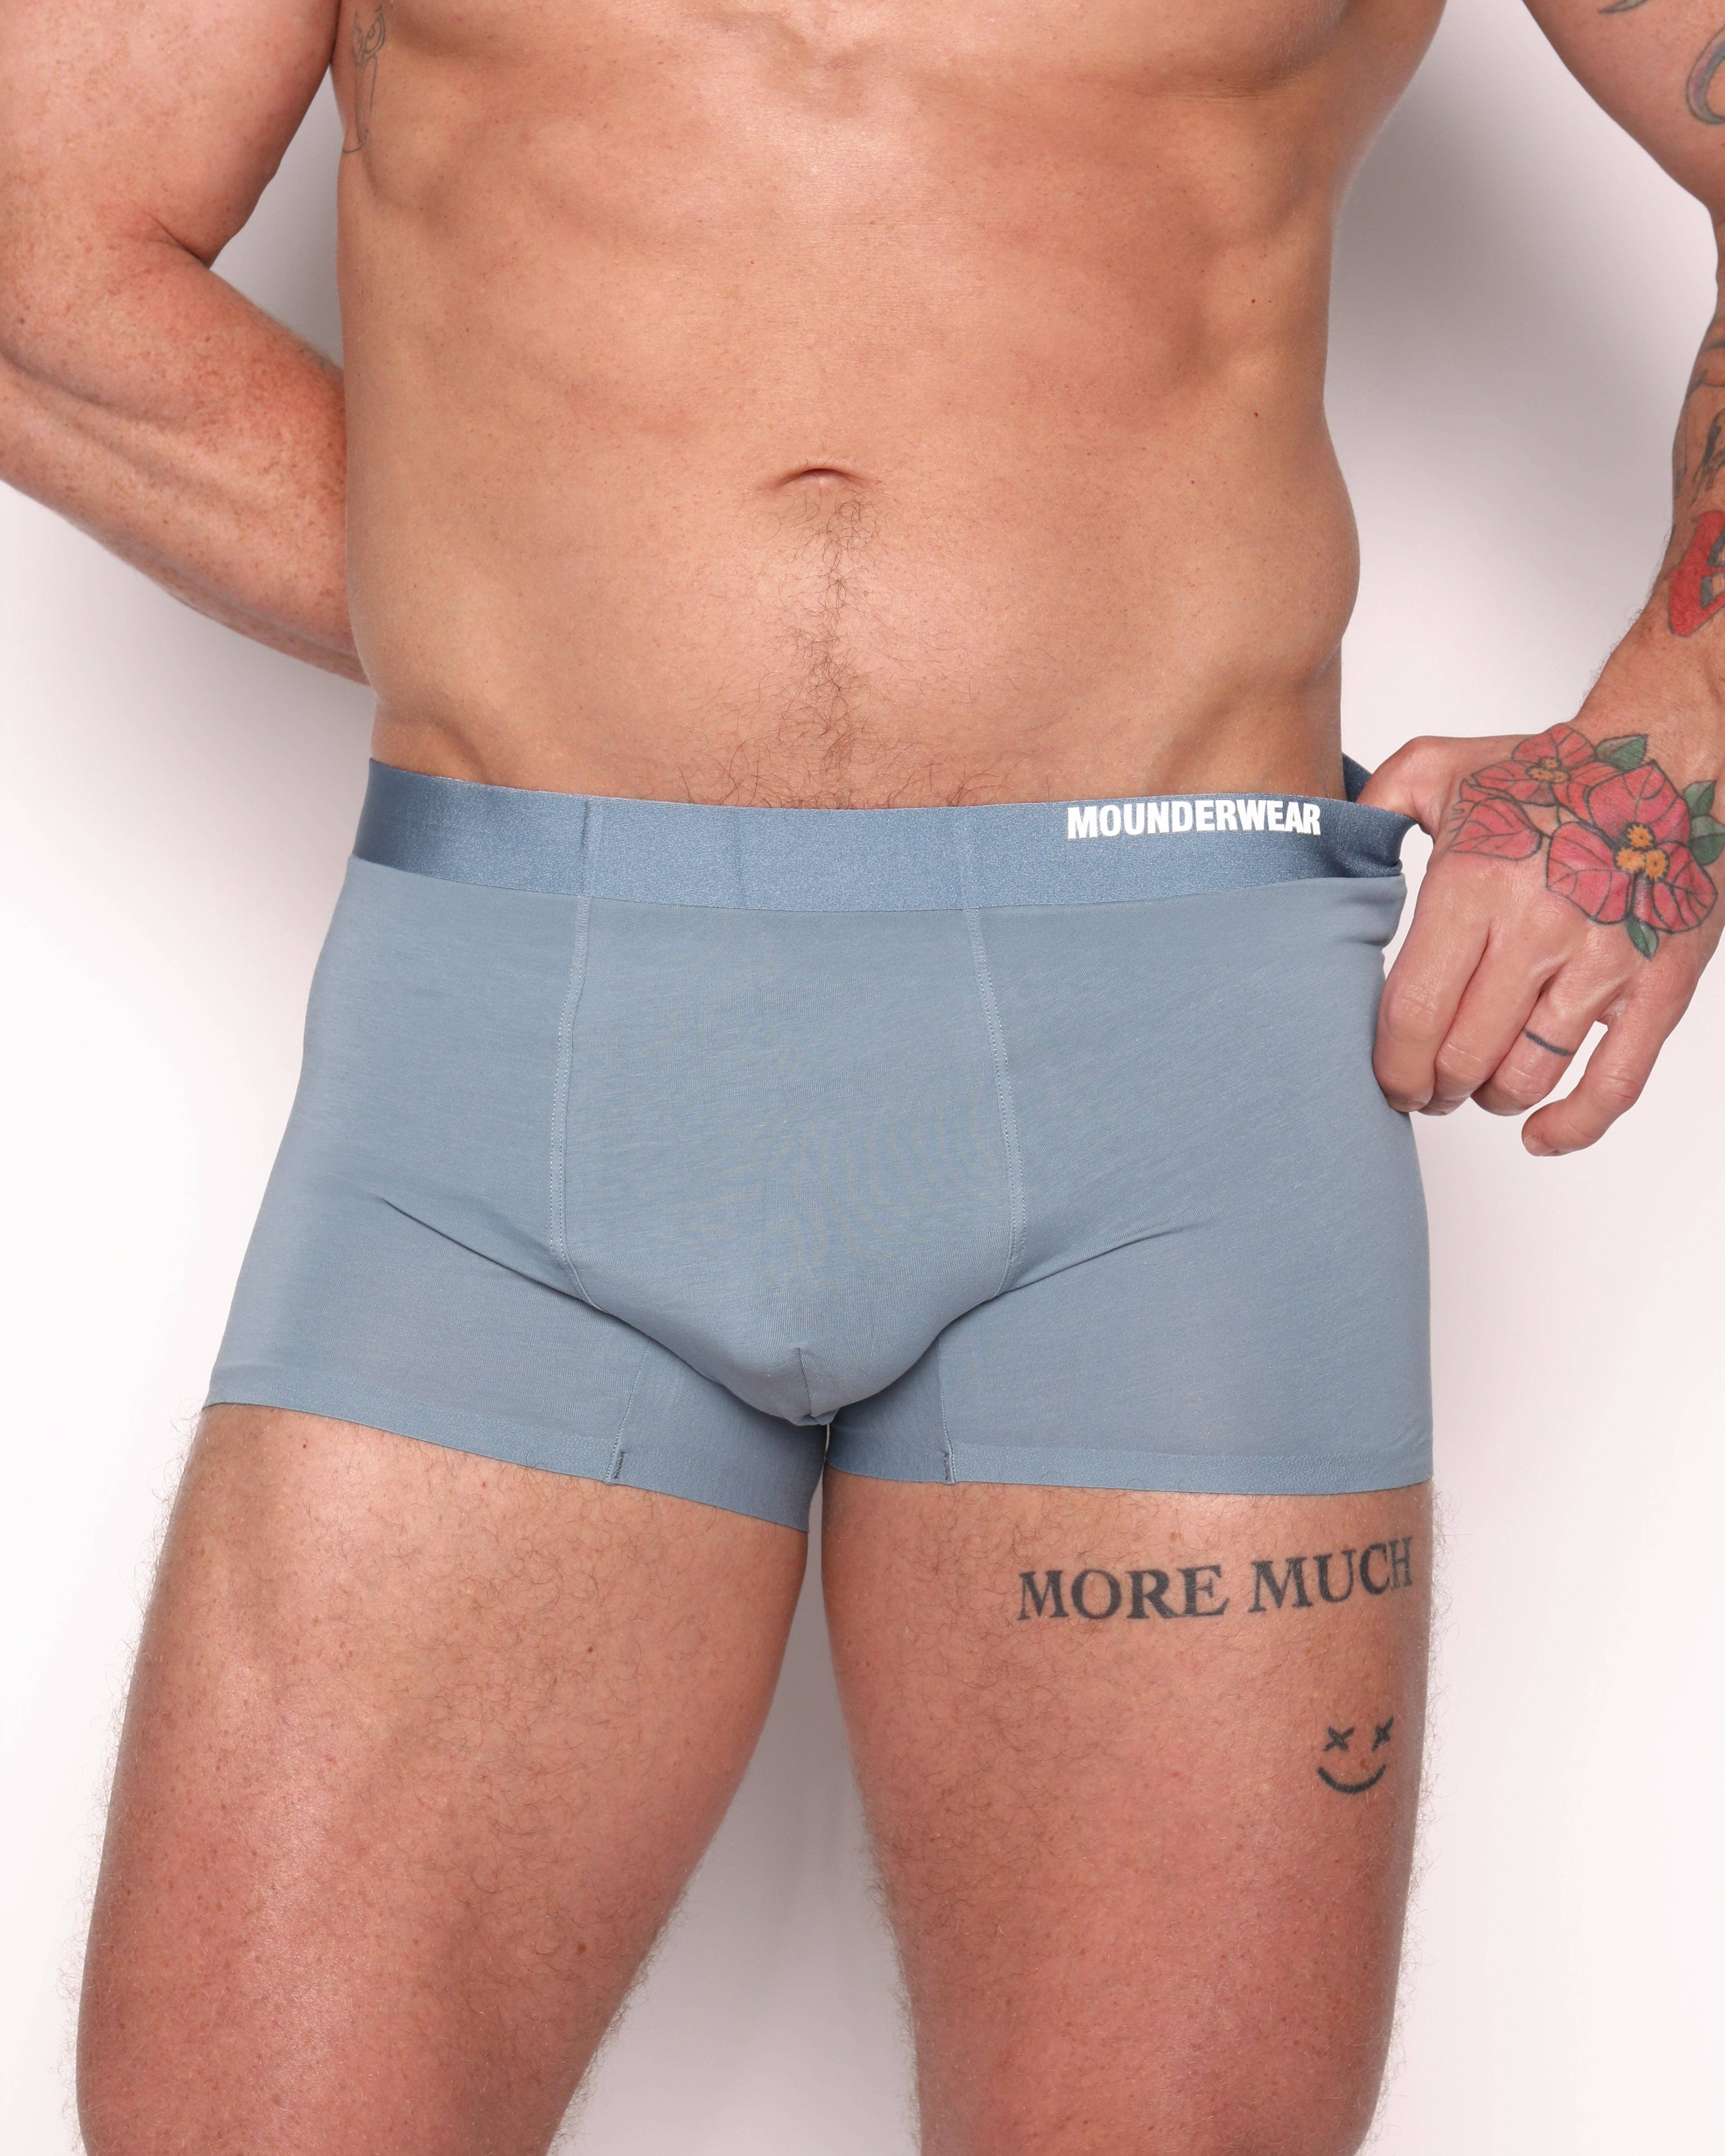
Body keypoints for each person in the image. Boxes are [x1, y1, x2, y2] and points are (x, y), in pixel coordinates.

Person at [2, 0, 1720, 2148]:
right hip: (533, 1031)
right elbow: (38, 249)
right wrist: (541, 572)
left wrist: (1667, 733)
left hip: (1162, 1091)